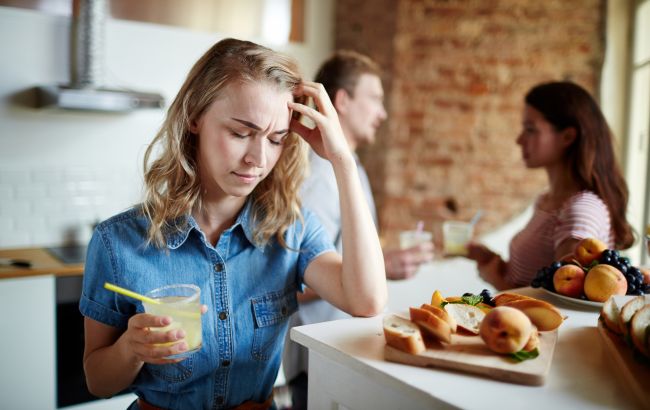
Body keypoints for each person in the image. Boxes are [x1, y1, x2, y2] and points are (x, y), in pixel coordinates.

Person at [79, 38, 387, 410]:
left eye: (276, 139)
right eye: (241, 133)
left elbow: (366, 301)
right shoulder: (117, 242)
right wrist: (130, 349)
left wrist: (343, 161)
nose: (258, 158)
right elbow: (97, 380)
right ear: (195, 116)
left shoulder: (291, 229)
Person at [282, 50, 434, 410]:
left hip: (340, 349)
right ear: (343, 102)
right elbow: (290, 280)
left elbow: (341, 248)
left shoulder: (349, 168)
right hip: (319, 356)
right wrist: (376, 270)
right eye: (376, 99)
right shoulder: (319, 179)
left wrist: (380, 262)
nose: (383, 113)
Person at [466, 81, 634, 290]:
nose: (519, 139)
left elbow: (564, 306)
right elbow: (535, 278)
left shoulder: (580, 210)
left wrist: (496, 280)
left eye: (530, 129)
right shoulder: (546, 200)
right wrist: (492, 261)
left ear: (567, 137)